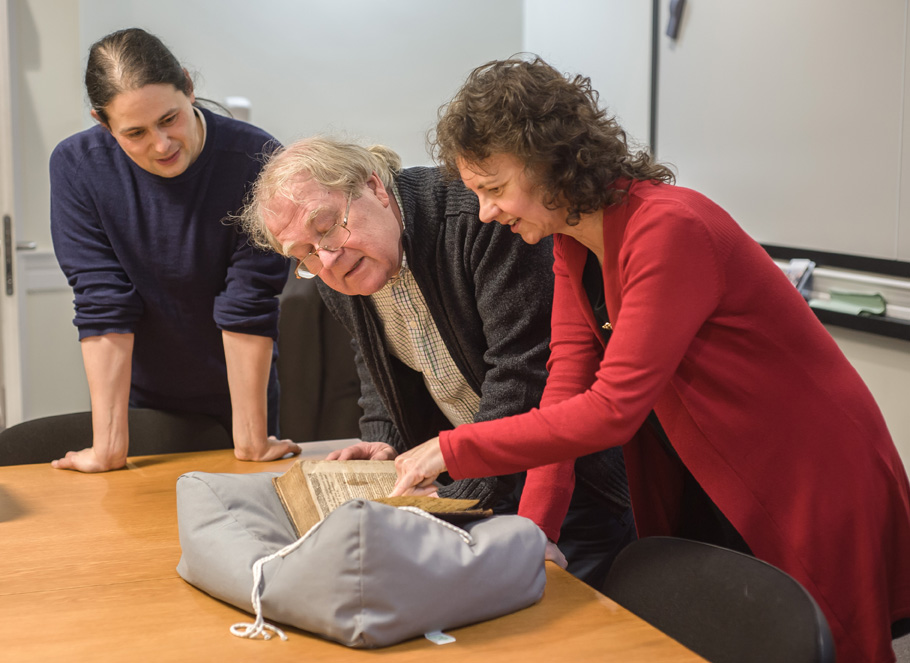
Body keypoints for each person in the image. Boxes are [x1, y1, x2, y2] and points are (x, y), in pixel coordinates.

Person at [390, 57, 910, 663]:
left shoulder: (669, 228)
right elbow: (565, 387)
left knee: (822, 642)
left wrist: (453, 448)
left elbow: (612, 410)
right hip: (722, 464)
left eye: (495, 189)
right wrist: (537, 530)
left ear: (551, 161)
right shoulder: (573, 243)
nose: (485, 212)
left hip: (804, 469)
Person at [238, 137, 635, 587]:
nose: (325, 258)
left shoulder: (478, 218)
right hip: (474, 477)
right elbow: (374, 359)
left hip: (568, 482)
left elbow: (524, 373)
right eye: (304, 253)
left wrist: (454, 499)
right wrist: (384, 443)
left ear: (375, 187)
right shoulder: (338, 270)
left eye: (327, 227)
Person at [49, 28, 299, 472]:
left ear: (188, 86)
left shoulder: (256, 159)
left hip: (240, 394)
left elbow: (249, 300)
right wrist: (109, 447)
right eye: (135, 132)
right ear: (103, 122)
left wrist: (251, 439)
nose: (161, 144)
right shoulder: (78, 167)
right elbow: (102, 301)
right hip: (140, 396)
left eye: (169, 119)